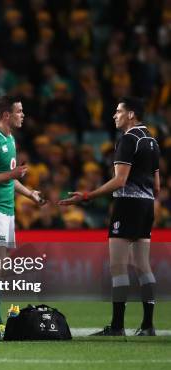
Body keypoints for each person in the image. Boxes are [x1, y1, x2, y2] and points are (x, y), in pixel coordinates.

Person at [60, 97, 160, 336]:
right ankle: (148, 325)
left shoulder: (128, 139)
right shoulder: (153, 141)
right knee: (143, 265)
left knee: (118, 265)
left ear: (131, 114)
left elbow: (120, 180)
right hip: (147, 206)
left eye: (118, 111)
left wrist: (88, 195)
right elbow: (157, 186)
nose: (114, 115)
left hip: (127, 205)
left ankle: (117, 327)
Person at [0, 95, 45, 325]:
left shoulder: (10, 138)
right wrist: (10, 175)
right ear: (6, 115)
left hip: (6, 211)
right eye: (19, 111)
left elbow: (9, 178)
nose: (23, 115)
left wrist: (30, 193)